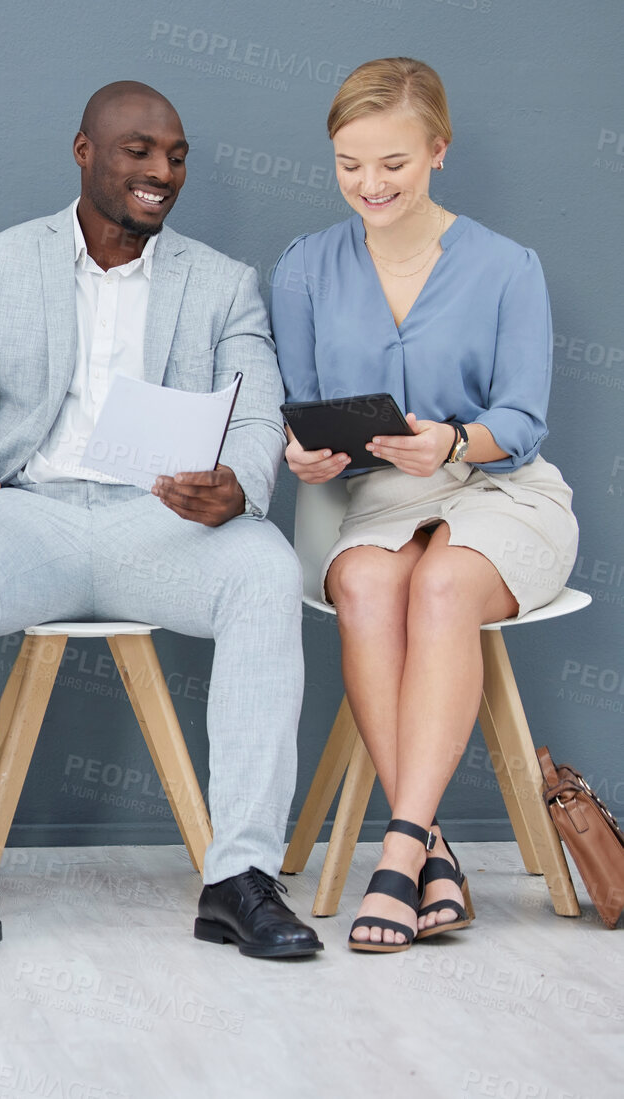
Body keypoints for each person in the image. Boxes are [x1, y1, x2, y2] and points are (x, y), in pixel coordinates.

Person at [0, 82, 322, 963]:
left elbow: (253, 416)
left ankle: (240, 876)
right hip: (31, 516)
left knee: (264, 567)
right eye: (138, 151)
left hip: (158, 525)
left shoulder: (222, 282)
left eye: (175, 155)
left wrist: (234, 488)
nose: (161, 171)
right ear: (84, 151)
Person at [272, 58, 577, 953]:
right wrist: (300, 452)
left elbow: (521, 419)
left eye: (393, 165)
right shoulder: (303, 268)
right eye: (348, 164)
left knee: (440, 586)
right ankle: (431, 843)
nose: (369, 186)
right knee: (367, 589)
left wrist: (452, 439)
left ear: (438, 152)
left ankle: (397, 848)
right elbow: (294, 404)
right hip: (375, 499)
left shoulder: (506, 268)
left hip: (499, 490)